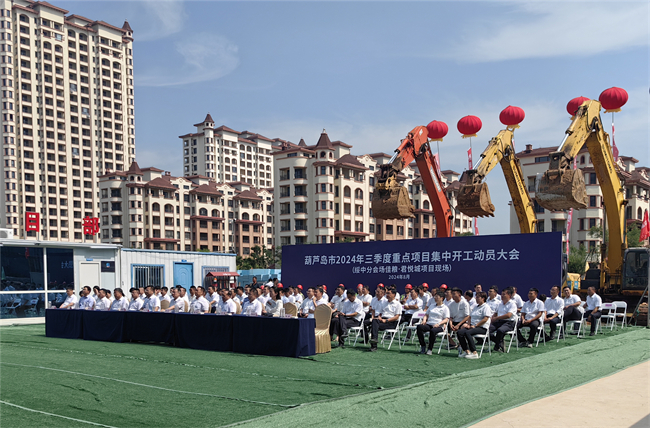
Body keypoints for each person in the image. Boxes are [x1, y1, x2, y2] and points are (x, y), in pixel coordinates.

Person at [458, 291, 492, 359]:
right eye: (476, 297)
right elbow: (470, 317)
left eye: (478, 297)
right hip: (472, 326)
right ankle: (466, 351)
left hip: (482, 328)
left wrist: (476, 325)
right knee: (460, 332)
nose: (476, 299)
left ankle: (474, 352)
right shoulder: (476, 307)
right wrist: (468, 324)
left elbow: (485, 319)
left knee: (468, 333)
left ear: (483, 298)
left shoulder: (486, 307)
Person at [368, 287, 402, 352]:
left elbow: (397, 317)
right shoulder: (384, 303)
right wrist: (380, 317)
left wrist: (386, 320)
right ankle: (374, 342)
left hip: (391, 322)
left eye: (389, 293)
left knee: (374, 325)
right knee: (374, 321)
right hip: (382, 320)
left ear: (394, 295)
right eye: (387, 293)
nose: (387, 295)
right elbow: (380, 312)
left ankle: (374, 345)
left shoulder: (398, 304)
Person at [416, 291, 449, 355]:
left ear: (442, 298)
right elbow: (426, 314)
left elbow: (446, 319)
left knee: (433, 331)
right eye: (435, 297)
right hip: (429, 323)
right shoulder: (432, 306)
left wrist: (439, 324)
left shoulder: (445, 308)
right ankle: (423, 345)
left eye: (437, 297)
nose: (435, 298)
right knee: (419, 327)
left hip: (439, 326)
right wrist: (424, 320)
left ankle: (430, 349)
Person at [489, 287, 518, 353]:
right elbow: (495, 313)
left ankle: (497, 346)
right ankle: (499, 341)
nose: (502, 296)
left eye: (504, 294)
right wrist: (492, 319)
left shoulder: (512, 304)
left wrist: (497, 318)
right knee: (487, 330)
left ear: (509, 295)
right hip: (499, 321)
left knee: (500, 330)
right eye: (501, 294)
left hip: (509, 322)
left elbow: (508, 315)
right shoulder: (499, 303)